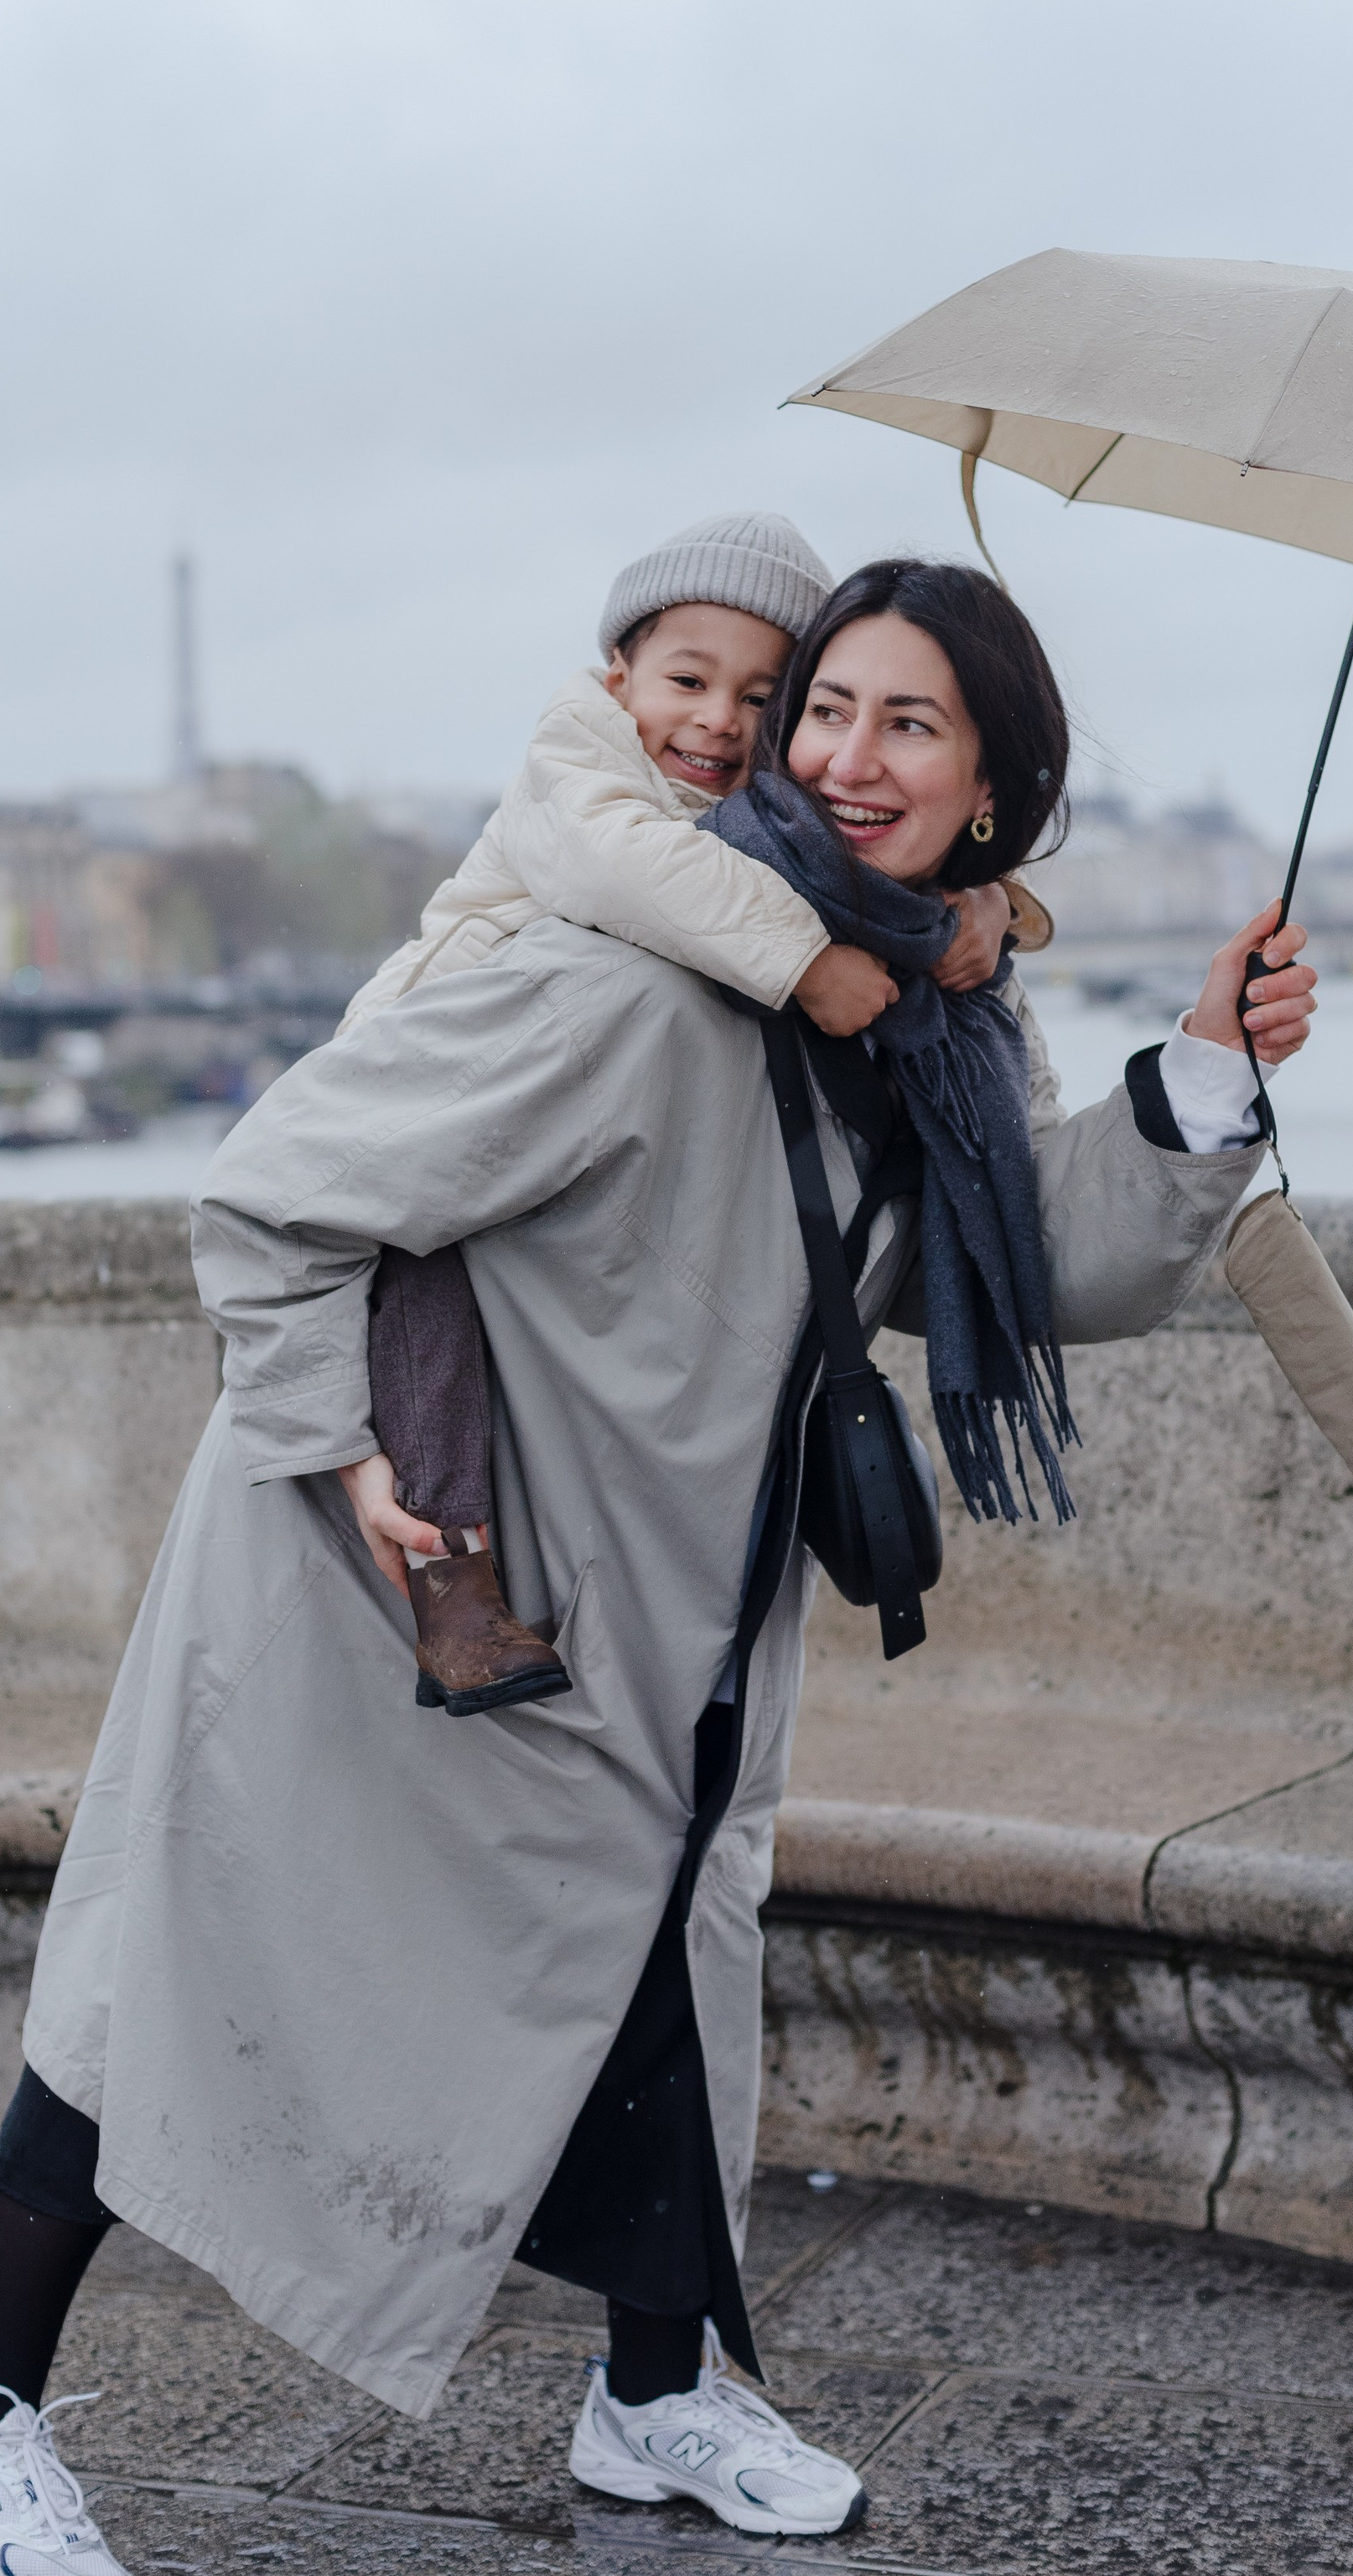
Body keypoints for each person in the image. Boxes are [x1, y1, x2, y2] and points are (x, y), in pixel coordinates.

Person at [0, 552, 1316, 2576]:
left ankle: (647, 2395)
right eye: (824, 707)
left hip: (662, 1614)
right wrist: (336, 1437)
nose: (830, 754)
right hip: (393, 1573)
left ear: (991, 791)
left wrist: (1200, 1065)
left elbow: (1011, 1260)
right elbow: (279, 1186)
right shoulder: (624, 974)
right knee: (179, 1967)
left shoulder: (909, 1020)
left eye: (903, 725)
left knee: (667, 1968)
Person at [346, 510, 1024, 1717]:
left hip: (530, 1118)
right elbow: (633, 869)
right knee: (426, 1327)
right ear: (618, 680)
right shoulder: (583, 760)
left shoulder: (740, 821)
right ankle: (453, 1581)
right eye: (689, 681)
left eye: (766, 699)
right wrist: (811, 967)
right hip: (431, 1080)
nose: (720, 720)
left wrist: (1001, 910)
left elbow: (827, 879)